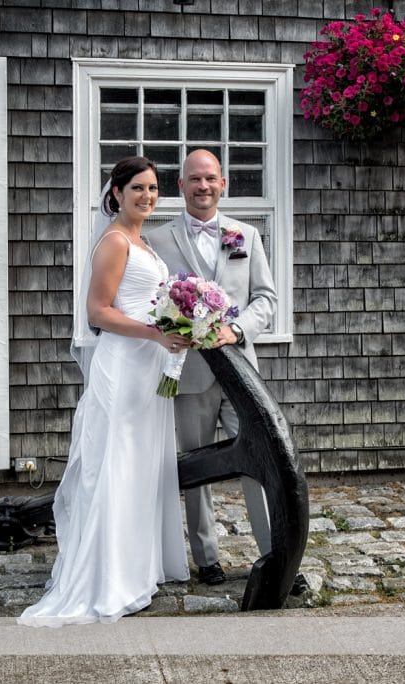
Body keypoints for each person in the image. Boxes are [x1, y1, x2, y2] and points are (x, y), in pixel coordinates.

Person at [19, 157, 190, 626]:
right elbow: (98, 312)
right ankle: (106, 577)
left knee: (139, 467)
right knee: (115, 465)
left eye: (153, 188)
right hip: (123, 366)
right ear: (115, 193)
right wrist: (156, 334)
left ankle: (138, 569)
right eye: (137, 188)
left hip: (148, 371)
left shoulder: (146, 245)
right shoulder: (115, 242)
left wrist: (176, 325)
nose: (147, 196)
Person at [147, 149, 278, 585]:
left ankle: (274, 552)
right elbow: (152, 302)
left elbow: (266, 300)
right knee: (198, 466)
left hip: (242, 372)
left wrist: (236, 330)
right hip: (190, 373)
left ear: (224, 184)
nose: (203, 186)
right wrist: (169, 325)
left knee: (260, 462)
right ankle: (207, 558)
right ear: (180, 186)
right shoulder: (158, 240)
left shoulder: (247, 236)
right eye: (194, 179)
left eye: (210, 179)